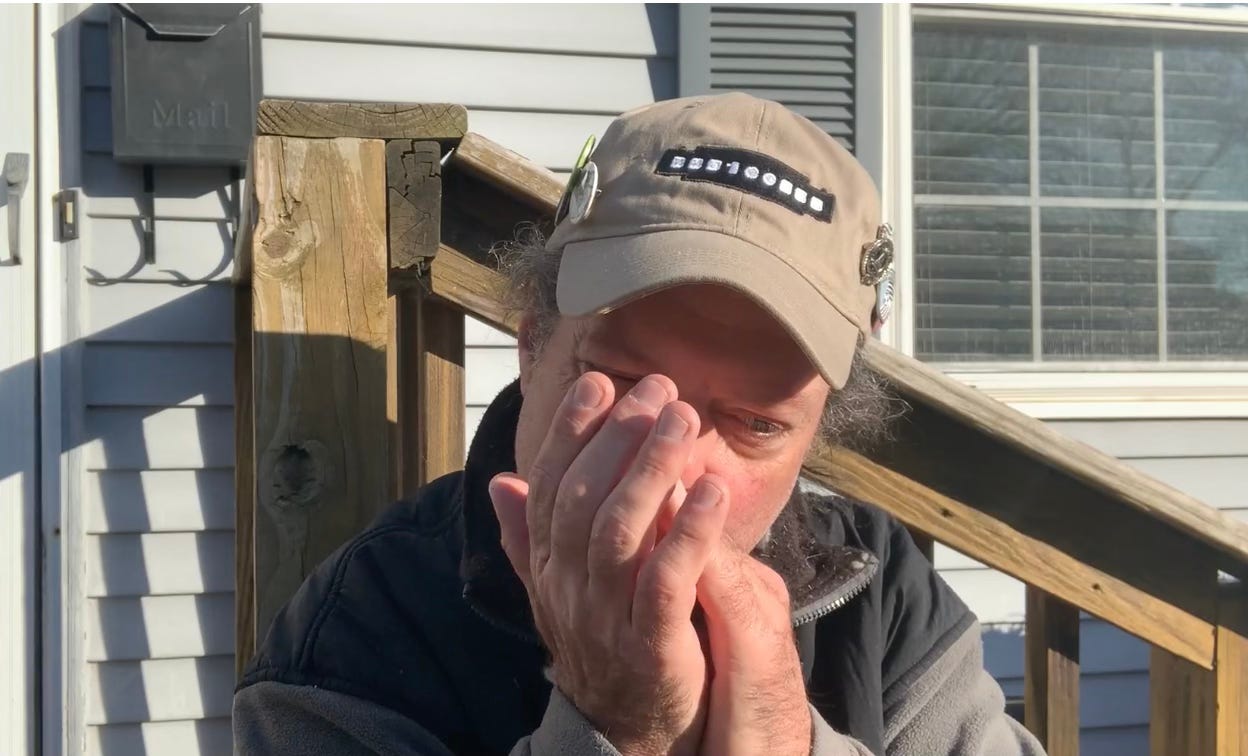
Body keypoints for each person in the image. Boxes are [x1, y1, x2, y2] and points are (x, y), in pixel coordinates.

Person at [233, 93, 1045, 756]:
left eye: (757, 425)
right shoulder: (358, 636)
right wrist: (618, 729)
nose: (677, 468)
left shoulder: (880, 597)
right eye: (626, 387)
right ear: (530, 343)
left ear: (814, 435)